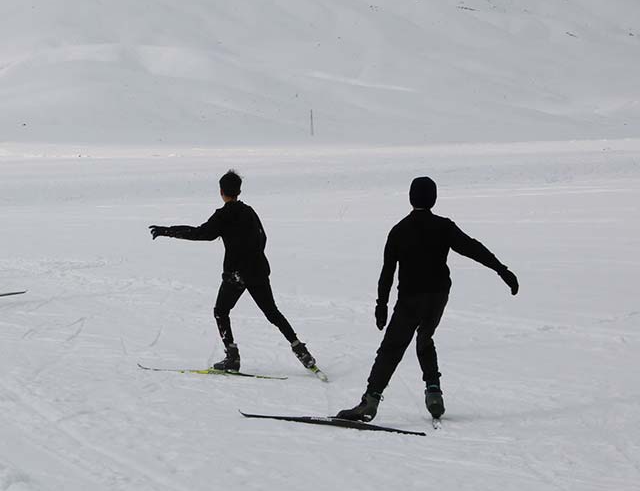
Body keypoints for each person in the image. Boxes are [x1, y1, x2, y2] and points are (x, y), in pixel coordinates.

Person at [336, 177, 519, 422]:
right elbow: (472, 248)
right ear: (433, 198)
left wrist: (381, 304)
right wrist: (501, 269)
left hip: (410, 299)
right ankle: (434, 393)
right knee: (425, 338)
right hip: (437, 297)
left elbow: (387, 273)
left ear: (411, 198)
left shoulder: (399, 230)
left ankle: (370, 400)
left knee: (392, 348)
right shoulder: (443, 226)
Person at [149, 170, 318, 374]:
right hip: (258, 270)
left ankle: (232, 357)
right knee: (272, 312)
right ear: (239, 191)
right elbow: (262, 238)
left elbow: (201, 233)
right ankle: (301, 351)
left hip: (236, 275)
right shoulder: (249, 211)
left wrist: (167, 231)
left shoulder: (223, 215)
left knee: (221, 311)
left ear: (221, 191)